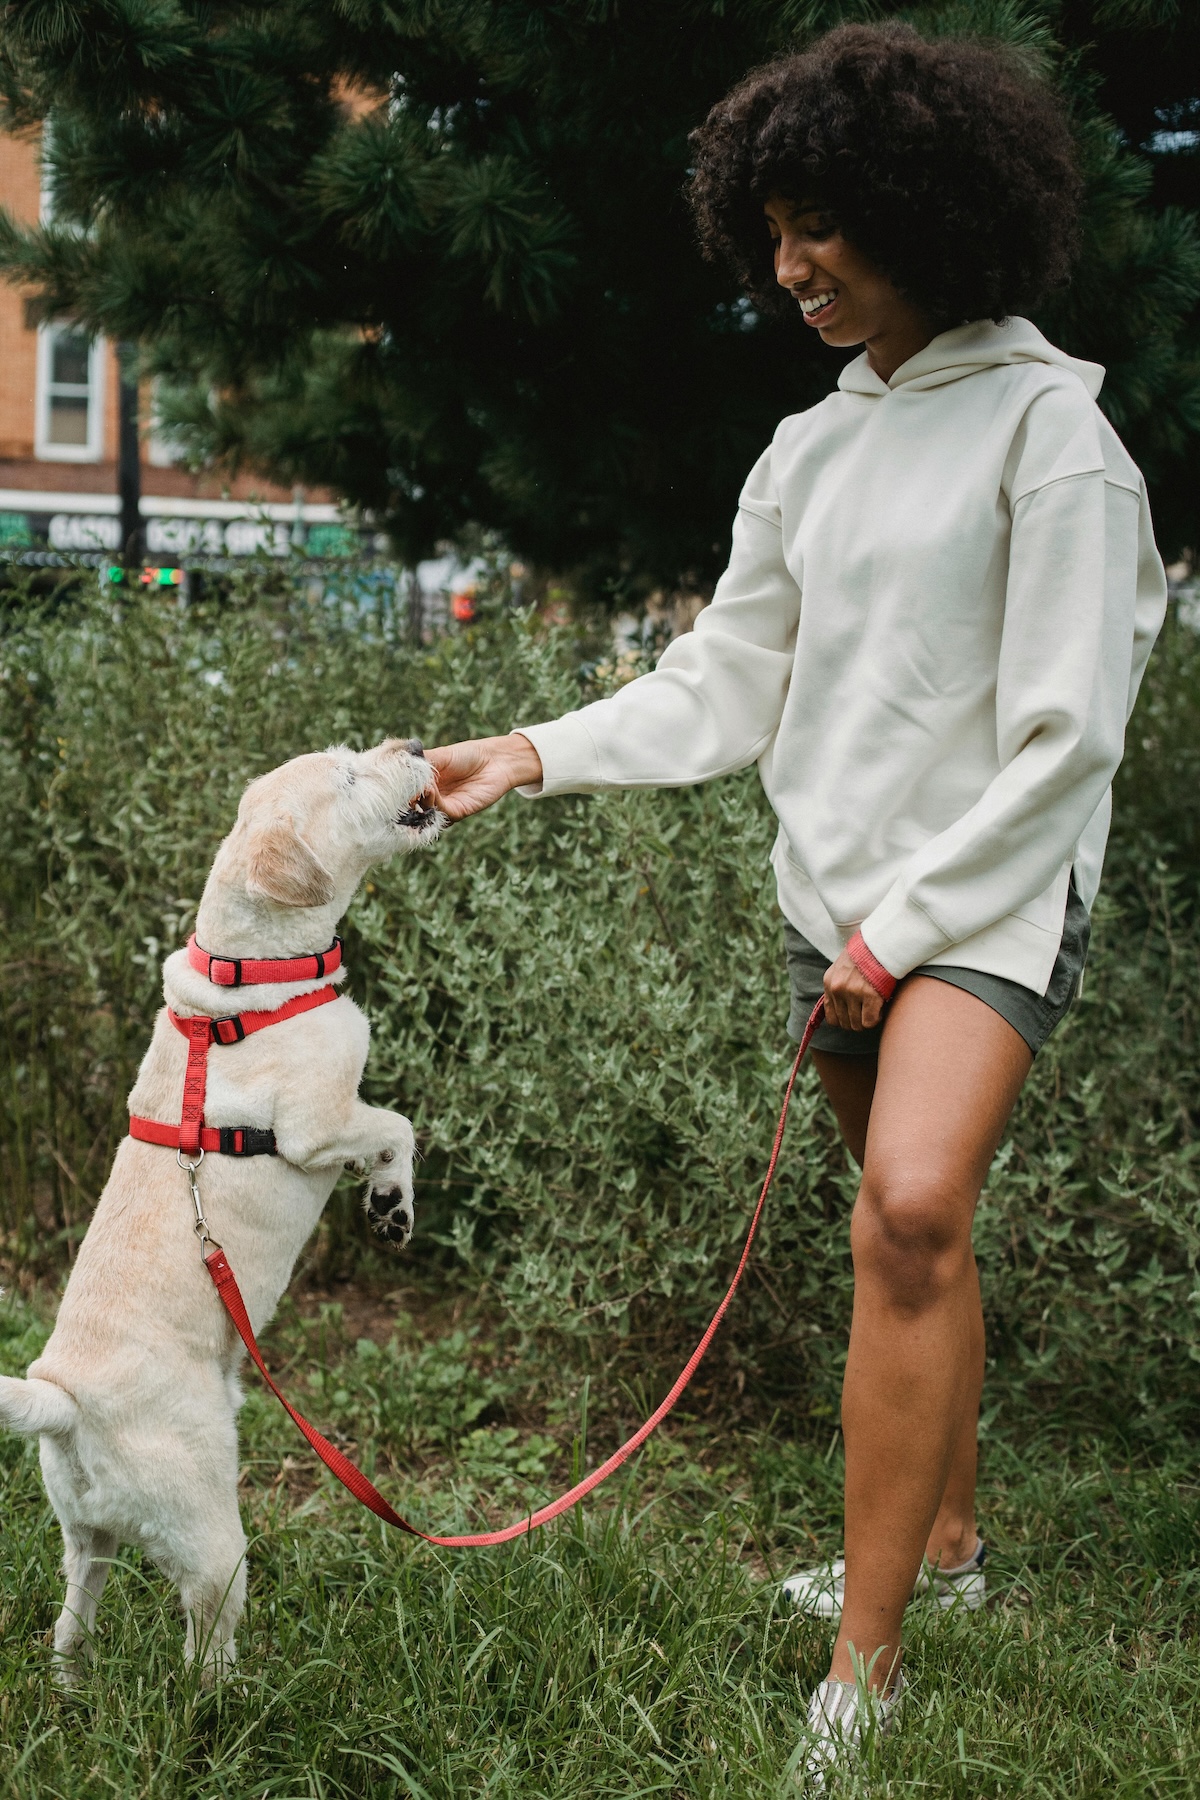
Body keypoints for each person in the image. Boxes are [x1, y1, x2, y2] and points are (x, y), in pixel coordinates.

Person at [425, 21, 1167, 1786]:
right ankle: (958, 1549)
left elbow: (1068, 743)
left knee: (907, 1212)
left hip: (972, 907)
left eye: (821, 222)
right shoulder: (807, 450)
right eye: (768, 231)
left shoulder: (1058, 435)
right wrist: (526, 749)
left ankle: (868, 1664)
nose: (789, 268)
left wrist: (899, 935)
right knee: (921, 1239)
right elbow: (721, 682)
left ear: (931, 204)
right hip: (825, 901)